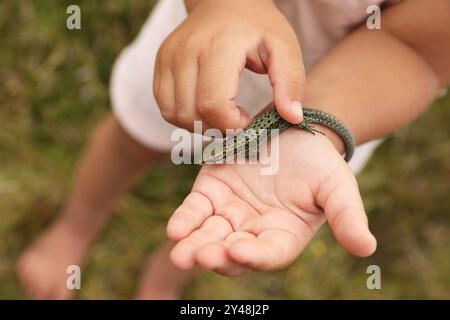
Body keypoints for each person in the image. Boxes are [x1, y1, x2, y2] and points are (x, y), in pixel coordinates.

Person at [18, 0, 450, 299]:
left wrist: (317, 123)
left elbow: (416, 47)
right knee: (132, 138)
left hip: (345, 98)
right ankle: (77, 226)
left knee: (225, 227)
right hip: (206, 44)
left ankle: (167, 279)